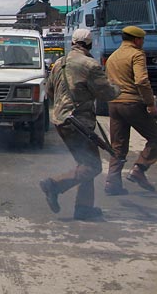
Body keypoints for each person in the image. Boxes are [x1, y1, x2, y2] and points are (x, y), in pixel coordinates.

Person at [40, 28, 120, 220]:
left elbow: (50, 91)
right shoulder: (90, 65)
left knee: (84, 164)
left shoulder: (59, 63)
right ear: (90, 44)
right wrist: (118, 88)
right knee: (93, 166)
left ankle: (84, 208)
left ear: (73, 42)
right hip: (79, 122)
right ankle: (55, 185)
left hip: (61, 120)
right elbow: (106, 93)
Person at [104, 26, 157, 194]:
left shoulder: (113, 56)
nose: (143, 43)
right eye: (142, 40)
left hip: (114, 104)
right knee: (156, 139)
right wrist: (150, 104)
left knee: (118, 146)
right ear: (137, 40)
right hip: (132, 103)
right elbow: (142, 81)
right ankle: (139, 169)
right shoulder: (137, 54)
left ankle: (112, 184)